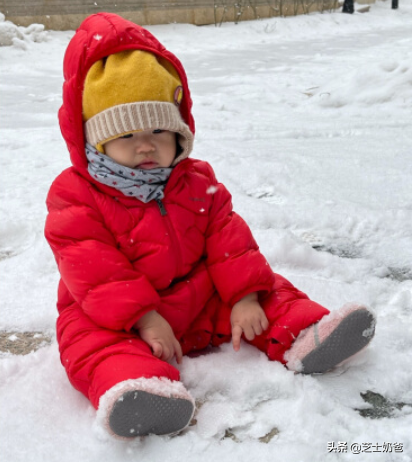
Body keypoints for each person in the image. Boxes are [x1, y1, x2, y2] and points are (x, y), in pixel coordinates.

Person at [45, 12, 375, 439]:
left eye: (160, 129)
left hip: (199, 298)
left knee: (268, 291)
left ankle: (308, 336)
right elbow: (93, 270)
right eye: (126, 135)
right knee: (89, 341)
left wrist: (243, 295)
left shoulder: (196, 179)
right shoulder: (75, 194)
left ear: (180, 131)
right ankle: (137, 389)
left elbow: (229, 241)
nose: (146, 144)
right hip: (116, 313)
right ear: (96, 141)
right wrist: (144, 317)